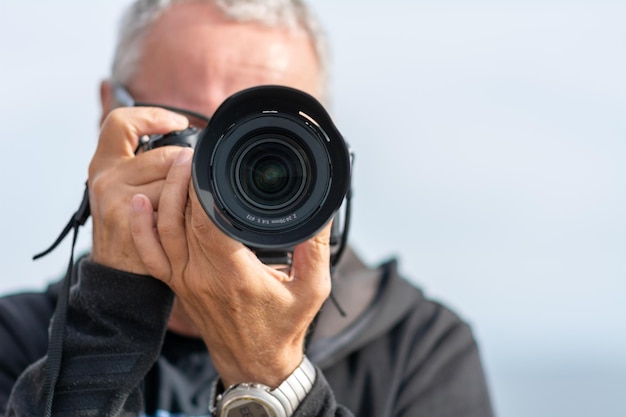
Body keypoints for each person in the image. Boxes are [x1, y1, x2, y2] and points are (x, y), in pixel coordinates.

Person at [0, 1, 494, 416]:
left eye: (272, 135)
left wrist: (273, 374)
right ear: (112, 117)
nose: (228, 169)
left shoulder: (417, 350)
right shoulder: (17, 342)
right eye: (196, 129)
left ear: (329, 152)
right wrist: (106, 326)